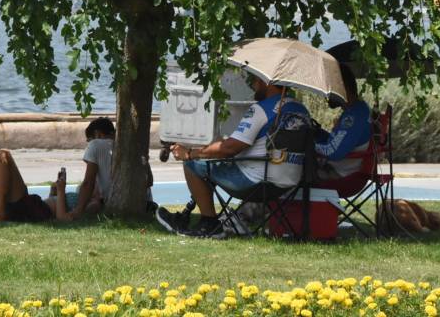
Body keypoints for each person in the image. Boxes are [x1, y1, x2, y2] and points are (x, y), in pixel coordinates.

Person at [155, 74, 310, 238]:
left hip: (256, 182)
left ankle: (209, 224)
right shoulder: (301, 110)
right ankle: (190, 215)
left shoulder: (261, 109)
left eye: (256, 80)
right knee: (211, 160)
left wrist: (189, 153)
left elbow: (230, 148)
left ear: (267, 83)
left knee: (192, 165)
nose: (254, 85)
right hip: (288, 183)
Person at [0, 116, 115, 223]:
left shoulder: (93, 204)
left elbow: (62, 217)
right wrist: (54, 192)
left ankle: (0, 212)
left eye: (89, 140)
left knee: (3, 156)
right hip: (31, 207)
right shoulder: (88, 194)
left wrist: (61, 192)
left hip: (33, 209)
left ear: (97, 135)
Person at [313, 66, 372, 195]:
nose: (326, 93)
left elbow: (334, 152)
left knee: (291, 171)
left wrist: (308, 145)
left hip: (340, 176)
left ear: (341, 87)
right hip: (339, 171)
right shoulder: (356, 110)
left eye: (329, 87)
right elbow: (338, 143)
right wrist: (318, 133)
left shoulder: (354, 115)